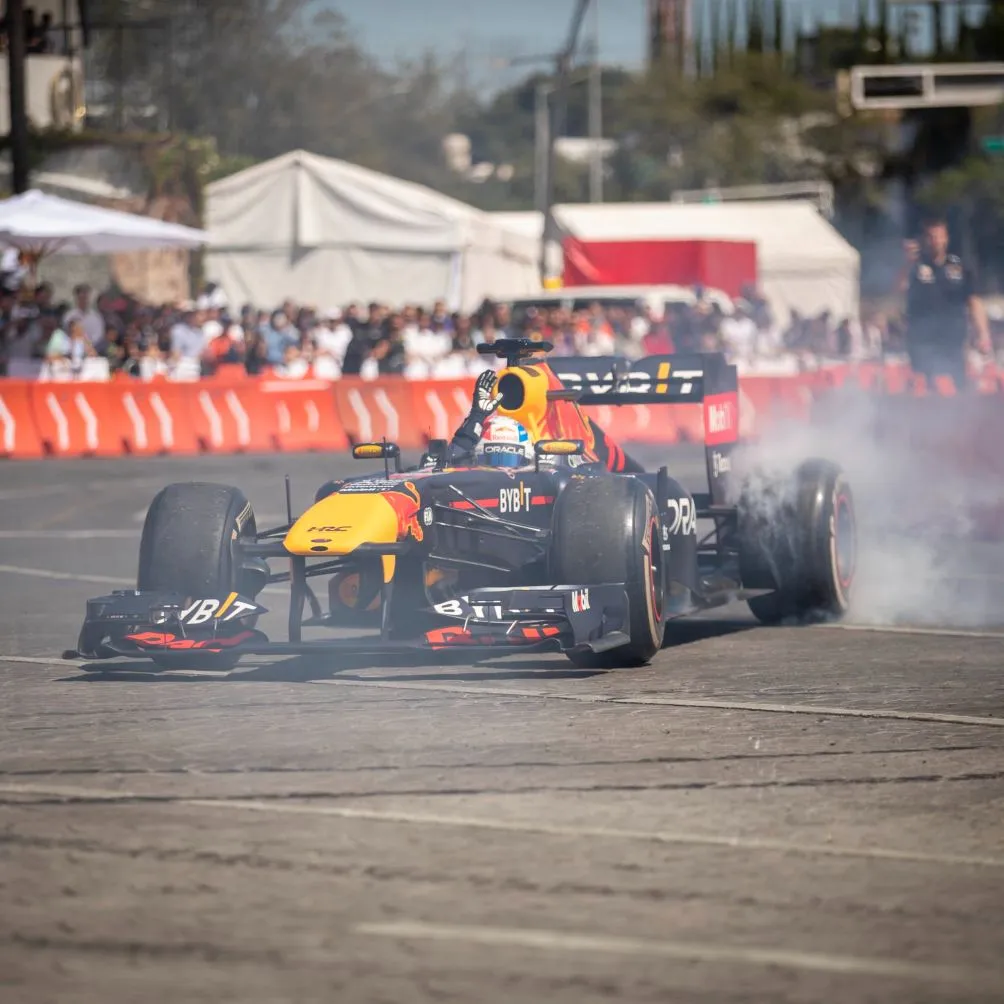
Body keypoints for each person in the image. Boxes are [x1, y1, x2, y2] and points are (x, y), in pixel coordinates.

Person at [900, 215, 992, 392]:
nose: (934, 241)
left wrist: (983, 333)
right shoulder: (915, 266)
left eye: (938, 236)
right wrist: (906, 263)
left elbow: (974, 301)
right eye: (930, 236)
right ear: (924, 239)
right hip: (922, 340)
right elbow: (898, 289)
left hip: (954, 339)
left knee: (958, 387)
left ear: (946, 238)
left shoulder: (959, 265)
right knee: (926, 388)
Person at [442, 370, 533, 468]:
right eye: (493, 460)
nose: (503, 469)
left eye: (510, 460)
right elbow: (450, 462)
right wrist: (477, 415)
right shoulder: (470, 480)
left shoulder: (541, 479)